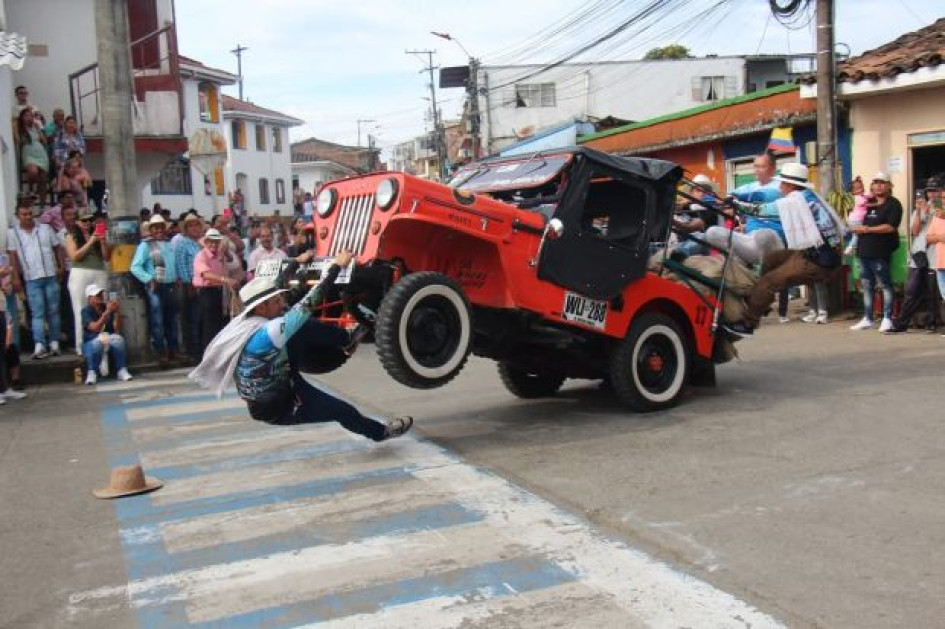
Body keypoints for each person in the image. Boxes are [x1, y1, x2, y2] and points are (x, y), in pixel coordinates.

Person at [190, 251, 413, 441]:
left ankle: (342, 344)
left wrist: (297, 261)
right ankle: (381, 432)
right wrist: (336, 267)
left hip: (283, 378)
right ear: (261, 308)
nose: (281, 302)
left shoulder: (251, 319)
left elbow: (277, 285)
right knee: (343, 411)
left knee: (294, 322)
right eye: (276, 301)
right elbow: (309, 304)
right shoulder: (268, 333)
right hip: (282, 404)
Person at [724, 163, 846, 338]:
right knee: (770, 259)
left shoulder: (797, 201)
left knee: (769, 281)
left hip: (818, 261)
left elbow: (763, 210)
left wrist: (736, 205)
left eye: (783, 184)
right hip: (810, 252)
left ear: (792, 186)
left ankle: (747, 323)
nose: (780, 187)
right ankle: (761, 301)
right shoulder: (809, 196)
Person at [7, 199, 66, 358]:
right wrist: (16, 278)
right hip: (31, 278)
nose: (27, 217)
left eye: (29, 213)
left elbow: (57, 247)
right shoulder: (13, 233)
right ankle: (39, 344)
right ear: (18, 216)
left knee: (53, 311)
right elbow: (13, 256)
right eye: (24, 214)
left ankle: (54, 342)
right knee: (37, 313)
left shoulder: (45, 229)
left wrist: (61, 266)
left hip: (50, 275)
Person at [849, 172, 903, 332]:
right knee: (867, 286)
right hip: (863, 251)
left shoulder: (893, 204)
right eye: (876, 182)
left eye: (882, 183)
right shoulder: (867, 202)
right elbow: (857, 220)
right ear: (871, 185)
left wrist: (867, 229)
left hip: (880, 251)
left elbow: (890, 227)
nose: (878, 185)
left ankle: (887, 318)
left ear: (889, 186)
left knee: (885, 285)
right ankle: (867, 318)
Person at [131, 214, 180, 365]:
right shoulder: (145, 245)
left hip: (170, 285)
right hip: (156, 286)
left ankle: (173, 350)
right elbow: (135, 266)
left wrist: (177, 276)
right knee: (158, 320)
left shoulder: (169, 243)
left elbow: (173, 263)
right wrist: (148, 279)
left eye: (161, 227)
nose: (159, 230)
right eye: (155, 228)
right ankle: (161, 351)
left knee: (172, 320)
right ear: (151, 230)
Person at [64, 206, 110, 353]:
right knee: (80, 310)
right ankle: (80, 347)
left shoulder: (96, 234)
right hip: (80, 272)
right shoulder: (71, 235)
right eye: (83, 221)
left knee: (101, 308)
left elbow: (106, 257)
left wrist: (102, 241)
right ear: (77, 222)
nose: (87, 223)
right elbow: (75, 256)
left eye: (90, 220)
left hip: (98, 271)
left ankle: (103, 346)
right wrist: (90, 241)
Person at [193, 228, 236, 352]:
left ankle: (215, 353)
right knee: (208, 325)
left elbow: (231, 259)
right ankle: (206, 354)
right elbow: (206, 275)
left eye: (216, 242)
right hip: (206, 292)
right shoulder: (201, 255)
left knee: (218, 324)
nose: (213, 244)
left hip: (218, 291)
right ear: (206, 242)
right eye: (210, 242)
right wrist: (226, 280)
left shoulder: (219, 254)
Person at [81, 284, 132, 385]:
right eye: (97, 295)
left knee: (118, 340)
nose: (100, 297)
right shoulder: (86, 311)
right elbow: (94, 327)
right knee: (96, 344)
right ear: (90, 298)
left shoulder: (106, 307)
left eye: (101, 294)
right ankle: (92, 372)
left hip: (107, 336)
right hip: (92, 339)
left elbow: (116, 329)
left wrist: (117, 312)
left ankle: (121, 369)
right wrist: (107, 312)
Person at [174, 213, 205, 361]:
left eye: (196, 225)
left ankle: (199, 349)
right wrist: (189, 283)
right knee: (190, 319)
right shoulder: (182, 243)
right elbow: (180, 265)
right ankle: (192, 351)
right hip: (189, 285)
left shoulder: (200, 243)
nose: (194, 228)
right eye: (190, 226)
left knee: (199, 319)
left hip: (202, 284)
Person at [15, 107, 49, 205]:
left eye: (31, 115)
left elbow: (44, 141)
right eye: (26, 115)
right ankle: (31, 189)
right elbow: (19, 141)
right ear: (22, 117)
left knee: (43, 180)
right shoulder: (19, 127)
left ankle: (42, 206)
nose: (29, 117)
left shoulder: (35, 127)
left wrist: (38, 128)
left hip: (40, 152)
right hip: (28, 153)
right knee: (33, 172)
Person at [923, 189, 945, 336]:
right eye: (943, 197)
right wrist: (940, 237)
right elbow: (928, 238)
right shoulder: (937, 218)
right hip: (941, 263)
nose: (943, 200)